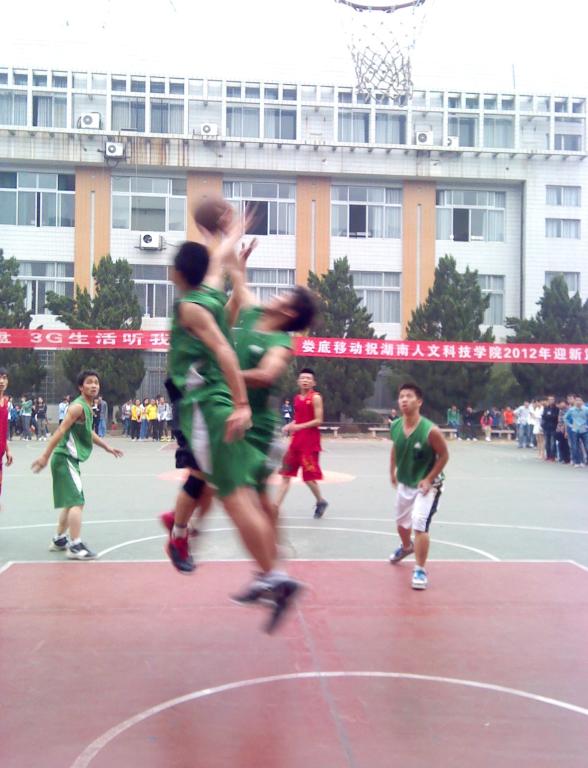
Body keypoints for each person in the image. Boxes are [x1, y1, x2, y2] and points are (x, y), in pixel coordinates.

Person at [164, 237, 301, 632]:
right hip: (228, 410)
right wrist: (234, 248)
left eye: (286, 296)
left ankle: (268, 572)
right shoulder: (243, 309)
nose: (278, 295)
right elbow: (231, 281)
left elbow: (254, 367)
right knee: (231, 492)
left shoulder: (278, 340)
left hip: (234, 417)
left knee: (240, 496)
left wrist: (235, 390)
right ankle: (266, 573)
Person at [31, 370, 123, 559]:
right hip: (64, 458)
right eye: (89, 382)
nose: (94, 385)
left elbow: (88, 432)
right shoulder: (77, 407)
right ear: (81, 387)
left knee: (70, 501)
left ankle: (59, 539)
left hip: (68, 459)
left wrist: (107, 447)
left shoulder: (87, 407)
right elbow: (60, 431)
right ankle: (75, 545)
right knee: (77, 503)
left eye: (96, 382)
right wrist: (45, 456)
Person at [389, 383, 449, 590]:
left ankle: (420, 569)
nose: (404, 400)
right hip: (406, 481)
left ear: (419, 402)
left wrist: (429, 478)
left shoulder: (430, 431)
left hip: (428, 485)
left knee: (419, 523)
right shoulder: (395, 426)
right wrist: (391, 471)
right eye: (401, 396)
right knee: (401, 524)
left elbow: (444, 455)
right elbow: (395, 448)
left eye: (409, 396)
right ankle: (407, 547)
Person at [275, 368, 328, 519]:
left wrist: (299, 426)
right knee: (286, 474)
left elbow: (318, 420)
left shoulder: (316, 397)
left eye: (308, 378)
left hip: (309, 443)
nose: (305, 380)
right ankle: (275, 507)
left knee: (309, 477)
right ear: (298, 381)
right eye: (303, 378)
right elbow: (298, 418)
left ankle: (320, 501)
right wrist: (289, 425)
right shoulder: (297, 398)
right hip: (295, 443)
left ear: (313, 382)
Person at [0, 368, 14, 501]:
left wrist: (7, 450)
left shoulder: (5, 402)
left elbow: (3, 429)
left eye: (4, 378)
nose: (1, 381)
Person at [564, 396, 588, 467]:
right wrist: (570, 425)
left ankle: (584, 461)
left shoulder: (586, 409)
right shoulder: (571, 410)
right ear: (575, 402)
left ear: (582, 402)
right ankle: (578, 462)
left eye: (580, 400)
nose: (578, 402)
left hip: (584, 430)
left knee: (586, 446)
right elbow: (565, 418)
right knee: (575, 446)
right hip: (575, 430)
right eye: (577, 400)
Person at [541, 395, 559, 462]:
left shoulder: (556, 409)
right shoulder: (546, 408)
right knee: (547, 443)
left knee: (552, 443)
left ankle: (553, 456)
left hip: (554, 427)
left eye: (552, 399)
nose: (551, 401)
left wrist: (549, 416)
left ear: (554, 400)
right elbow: (544, 416)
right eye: (549, 399)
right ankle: (548, 456)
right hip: (546, 427)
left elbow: (555, 417)